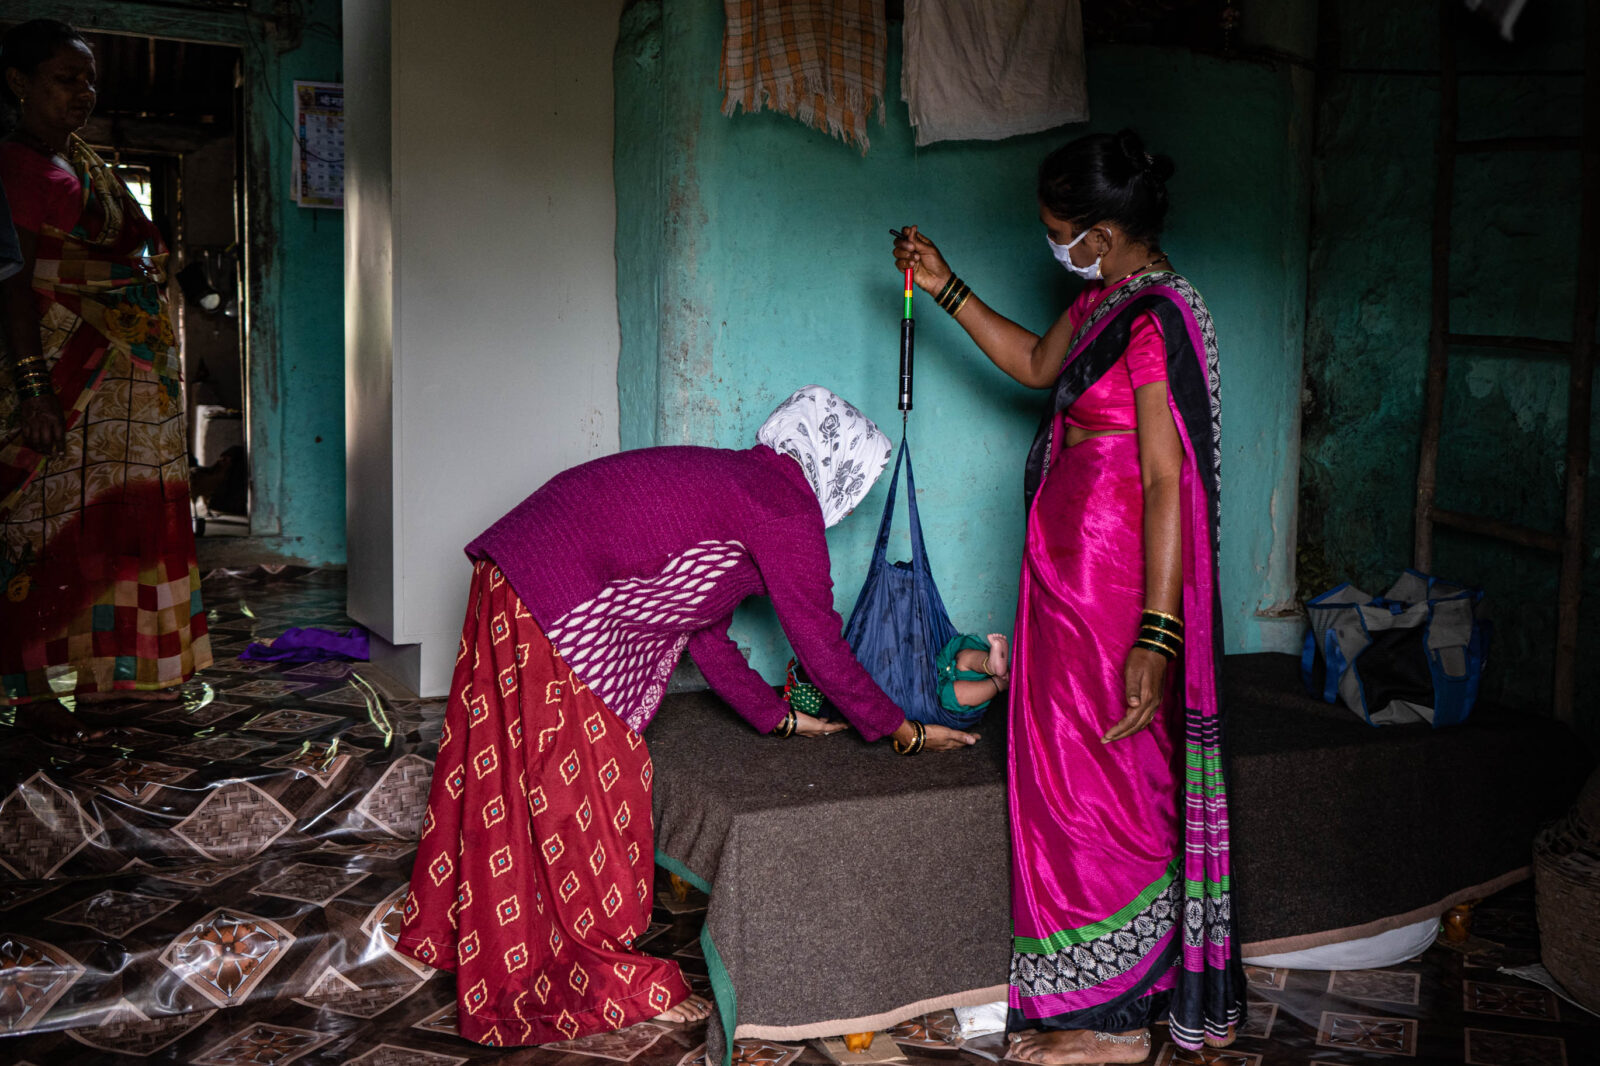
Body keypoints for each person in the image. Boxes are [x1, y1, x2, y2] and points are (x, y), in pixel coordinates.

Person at [395, 385, 980, 1047]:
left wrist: (776, 717)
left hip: (515, 578)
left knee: (518, 777)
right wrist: (902, 730)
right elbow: (821, 647)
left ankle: (489, 934)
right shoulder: (784, 506)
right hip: (548, 596)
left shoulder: (744, 485)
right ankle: (596, 977)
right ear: (833, 465)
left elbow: (706, 635)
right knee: (589, 787)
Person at [893, 129, 1244, 1061]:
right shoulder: (1103, 301)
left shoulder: (1157, 318)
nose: (1052, 246)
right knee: (1058, 777)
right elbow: (1038, 368)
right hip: (1060, 582)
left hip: (1114, 592)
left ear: (1103, 230)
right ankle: (1078, 1003)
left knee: (1108, 781)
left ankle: (1119, 1025)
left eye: (1060, 232)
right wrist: (947, 287)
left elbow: (1167, 483)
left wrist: (1157, 634)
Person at [0, 20, 210, 721]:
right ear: (18, 83)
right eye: (66, 78)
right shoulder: (15, 166)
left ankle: (120, 667)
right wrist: (35, 392)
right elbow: (15, 284)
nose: (83, 92)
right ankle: (38, 672)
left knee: (123, 523)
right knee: (50, 526)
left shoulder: (83, 161)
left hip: (125, 395)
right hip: (64, 380)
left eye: (89, 79)